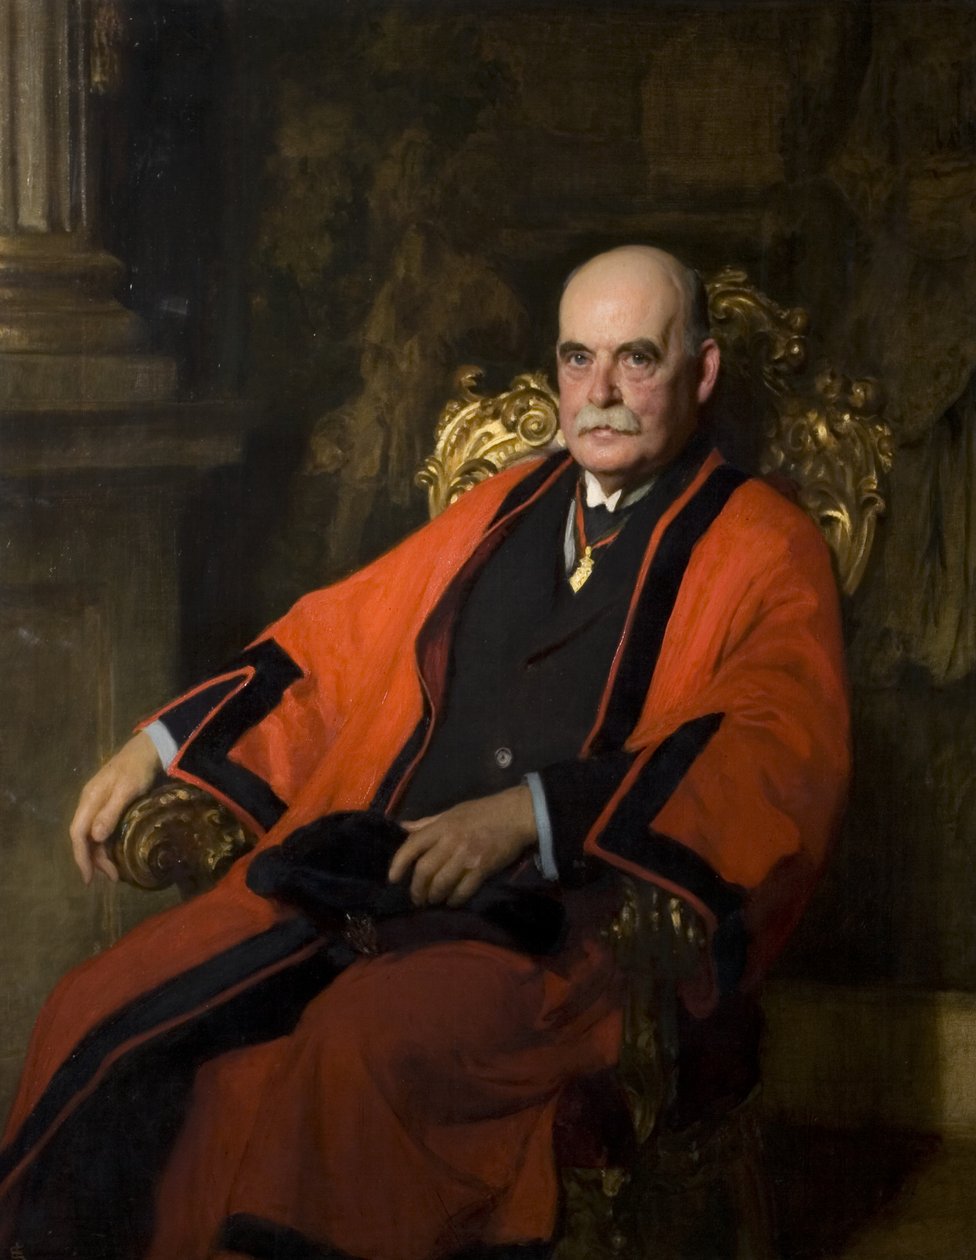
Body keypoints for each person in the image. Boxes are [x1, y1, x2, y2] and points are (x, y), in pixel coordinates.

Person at [0, 246, 850, 1260]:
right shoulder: (508, 507)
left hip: (570, 940)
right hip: (374, 885)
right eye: (578, 359)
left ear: (701, 372)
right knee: (96, 1005)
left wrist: (530, 815)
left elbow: (771, 750)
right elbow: (337, 643)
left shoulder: (764, 546)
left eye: (637, 359)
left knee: (359, 1045)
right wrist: (157, 744)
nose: (601, 394)